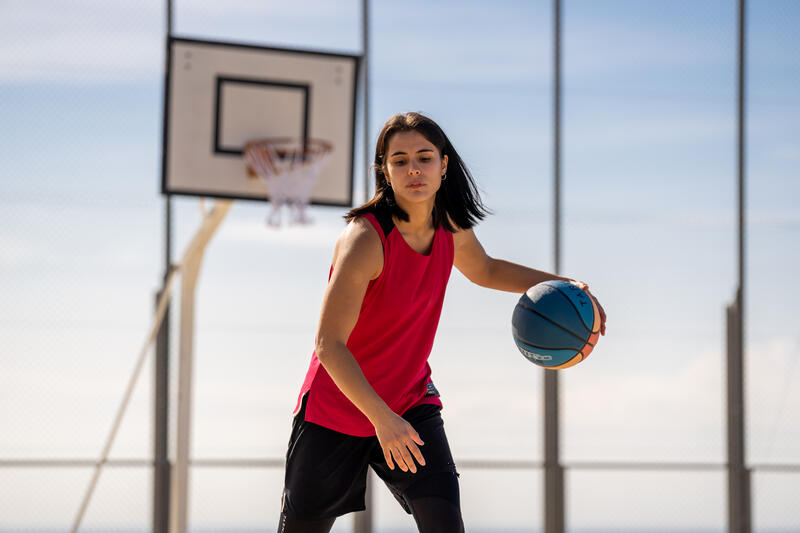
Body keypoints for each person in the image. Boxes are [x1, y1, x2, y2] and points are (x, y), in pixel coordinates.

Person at [277, 112, 606, 533]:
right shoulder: (365, 239)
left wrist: (566, 285)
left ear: (444, 164)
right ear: (385, 170)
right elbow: (328, 345)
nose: (413, 168)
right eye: (399, 160)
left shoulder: (449, 223)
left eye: (424, 157)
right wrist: (382, 419)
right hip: (338, 408)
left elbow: (484, 269)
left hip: (410, 400)